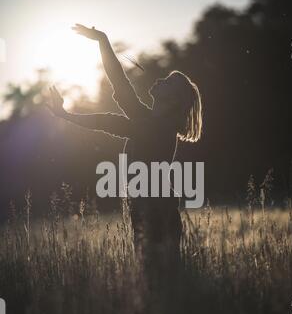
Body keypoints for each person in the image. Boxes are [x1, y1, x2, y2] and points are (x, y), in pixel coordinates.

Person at [47, 24, 202, 269]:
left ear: (173, 100)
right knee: (161, 276)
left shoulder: (157, 127)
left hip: (155, 207)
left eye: (169, 82)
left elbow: (110, 114)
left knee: (157, 274)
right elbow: (119, 84)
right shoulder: (151, 120)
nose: (161, 79)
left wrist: (67, 115)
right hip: (150, 204)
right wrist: (102, 41)